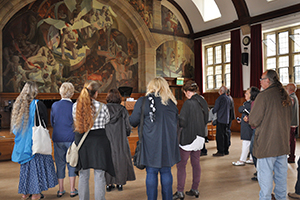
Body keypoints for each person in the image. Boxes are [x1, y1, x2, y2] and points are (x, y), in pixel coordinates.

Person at [129, 77, 180, 200]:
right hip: (168, 143)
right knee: (166, 172)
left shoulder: (143, 101)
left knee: (151, 172)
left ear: (150, 87)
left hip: (150, 143)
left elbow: (133, 121)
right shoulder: (171, 102)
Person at [249, 69, 292, 200]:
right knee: (281, 179)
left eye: (262, 79)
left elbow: (253, 120)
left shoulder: (263, 96)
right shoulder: (285, 96)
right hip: (282, 145)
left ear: (268, 80)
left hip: (267, 145)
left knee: (265, 181)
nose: (260, 81)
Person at [10, 81, 58, 200]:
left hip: (22, 141)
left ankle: (25, 192)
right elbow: (44, 122)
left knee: (26, 168)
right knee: (36, 167)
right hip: (34, 141)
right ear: (35, 91)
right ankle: (36, 193)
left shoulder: (18, 104)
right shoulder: (38, 104)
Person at [73, 80, 115, 200]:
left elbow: (75, 121)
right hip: (100, 142)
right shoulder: (103, 106)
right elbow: (107, 121)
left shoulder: (75, 106)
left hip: (83, 142)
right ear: (96, 93)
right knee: (99, 175)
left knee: (83, 175)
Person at [173, 81, 209, 200]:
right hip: (200, 136)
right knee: (196, 163)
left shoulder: (188, 103)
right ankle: (195, 189)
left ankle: (180, 191)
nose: (185, 95)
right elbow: (206, 118)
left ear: (188, 92)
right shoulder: (203, 100)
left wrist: (177, 119)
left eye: (185, 93)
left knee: (181, 165)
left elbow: (182, 121)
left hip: (189, 137)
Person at [105, 89, 136, 191]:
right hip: (120, 139)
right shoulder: (122, 109)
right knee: (120, 159)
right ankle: (120, 183)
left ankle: (109, 184)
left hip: (107, 138)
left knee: (108, 159)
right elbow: (128, 126)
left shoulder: (104, 108)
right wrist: (126, 134)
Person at [51, 82, 78, 198]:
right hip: (71, 138)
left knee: (59, 163)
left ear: (60, 92)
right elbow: (77, 123)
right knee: (72, 163)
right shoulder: (74, 106)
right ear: (72, 93)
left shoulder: (55, 105)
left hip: (57, 137)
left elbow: (52, 122)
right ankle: (72, 190)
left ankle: (61, 189)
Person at [232, 88, 253, 166]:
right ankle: (251, 158)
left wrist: (243, 109)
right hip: (246, 125)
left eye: (247, 93)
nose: (245, 95)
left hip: (248, 127)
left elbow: (240, 109)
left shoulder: (248, 104)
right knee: (250, 143)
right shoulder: (247, 103)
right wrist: (241, 120)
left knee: (246, 143)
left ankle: (242, 160)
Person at [212, 86, 231, 156]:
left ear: (221, 91)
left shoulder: (220, 98)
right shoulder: (228, 98)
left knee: (219, 136)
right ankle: (226, 150)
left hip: (220, 119)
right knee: (225, 135)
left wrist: (212, 111)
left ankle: (220, 151)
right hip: (226, 119)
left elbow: (216, 108)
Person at [286, 83, 299, 164]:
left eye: (286, 88)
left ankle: (291, 157)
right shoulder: (295, 97)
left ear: (289, 89)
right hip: (293, 122)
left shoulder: (291, 98)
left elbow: (287, 110)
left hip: (291, 123)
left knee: (291, 141)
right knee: (292, 140)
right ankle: (291, 156)